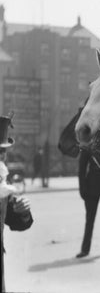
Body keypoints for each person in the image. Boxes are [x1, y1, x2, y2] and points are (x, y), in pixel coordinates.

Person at [0, 115, 33, 292]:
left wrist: (22, 212)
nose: (2, 157)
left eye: (3, 152)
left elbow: (15, 220)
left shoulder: (1, 178)